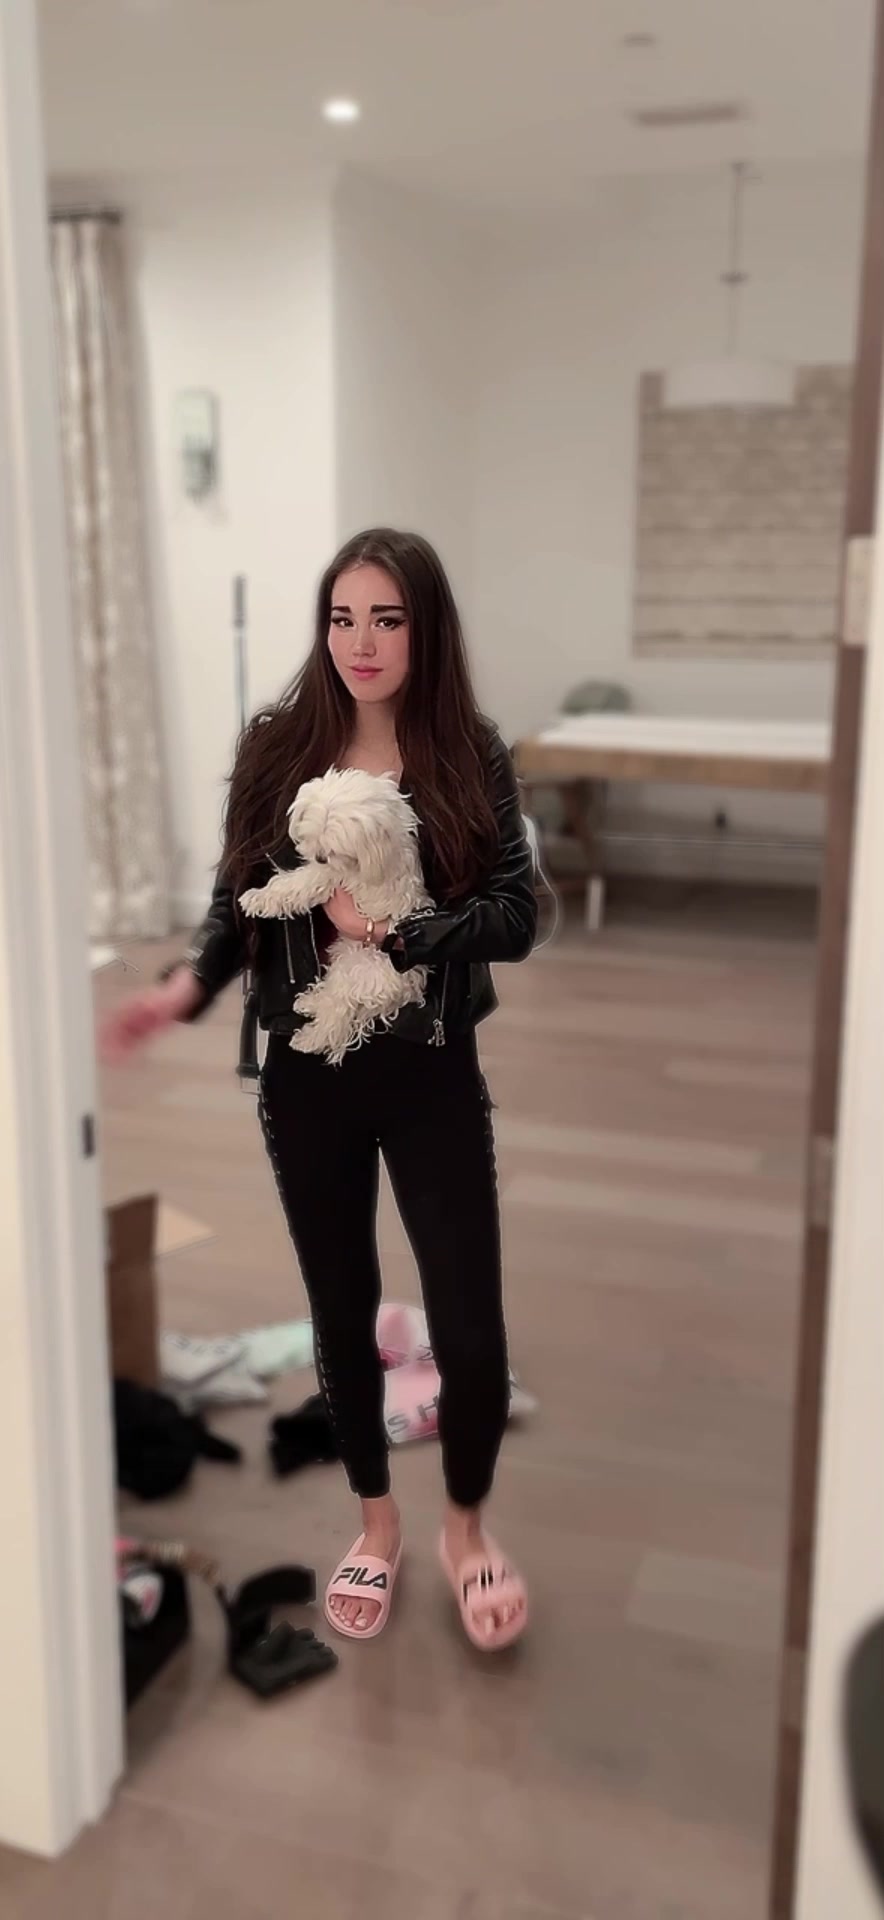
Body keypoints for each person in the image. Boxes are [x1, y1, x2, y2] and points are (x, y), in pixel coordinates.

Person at [102, 528, 537, 1650]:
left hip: (432, 1070)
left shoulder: (468, 752)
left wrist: (400, 931)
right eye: (343, 618)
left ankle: (466, 1530)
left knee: (469, 1327)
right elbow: (233, 902)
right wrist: (183, 989)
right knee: (340, 1314)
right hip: (306, 1077)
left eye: (387, 619)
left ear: (425, 629)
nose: (361, 642)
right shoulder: (277, 744)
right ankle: (377, 1525)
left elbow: (515, 914)